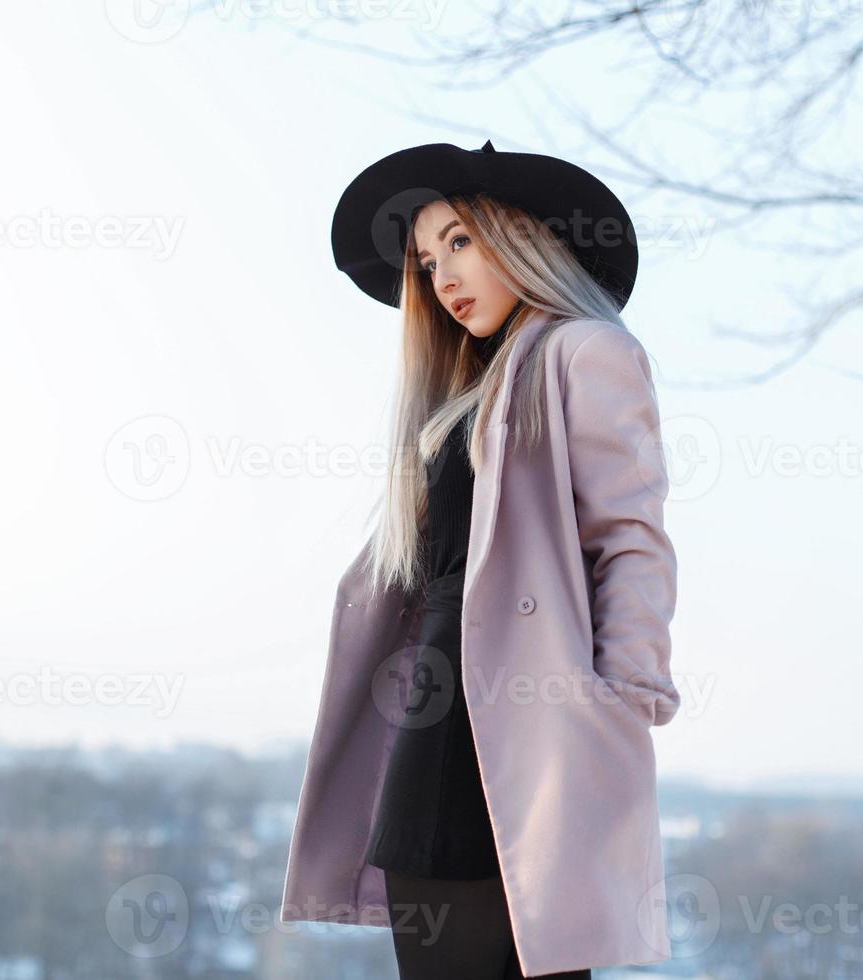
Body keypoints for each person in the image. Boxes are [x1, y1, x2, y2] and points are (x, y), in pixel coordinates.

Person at [284, 139, 680, 979]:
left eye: (459, 241)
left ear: (524, 236)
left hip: (530, 727)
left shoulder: (586, 352)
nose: (443, 276)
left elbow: (630, 535)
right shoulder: (465, 391)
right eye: (427, 262)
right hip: (427, 731)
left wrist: (623, 693)